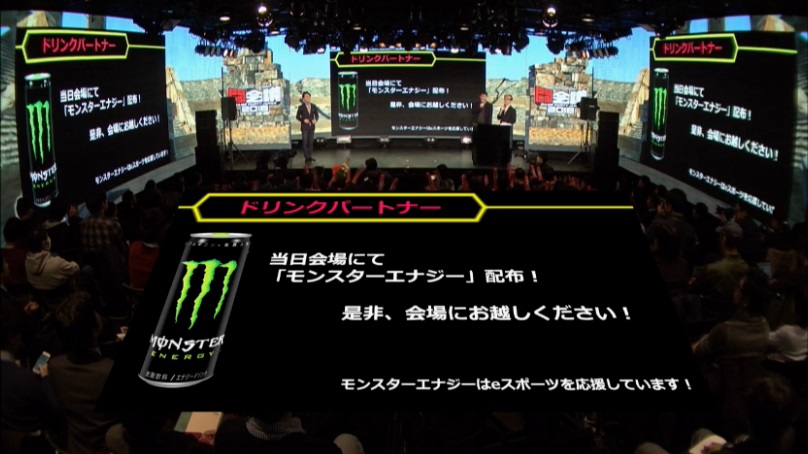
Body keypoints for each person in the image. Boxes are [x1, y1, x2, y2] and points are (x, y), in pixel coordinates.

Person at [296, 91, 319, 163]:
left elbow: (317, 115)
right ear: (303, 99)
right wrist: (303, 120)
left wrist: (316, 119)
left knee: (311, 143)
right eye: (306, 96)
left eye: (309, 96)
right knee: (305, 142)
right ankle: (306, 156)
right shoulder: (301, 107)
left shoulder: (314, 106)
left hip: (312, 127)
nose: (308, 98)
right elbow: (297, 117)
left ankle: (310, 156)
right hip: (305, 127)